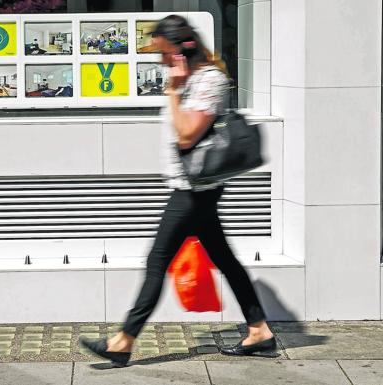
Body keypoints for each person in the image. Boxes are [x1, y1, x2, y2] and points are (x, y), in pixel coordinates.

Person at [80, 14, 276, 367]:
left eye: (164, 53)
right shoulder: (192, 80)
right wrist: (179, 86)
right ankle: (259, 329)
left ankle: (123, 341)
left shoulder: (209, 81)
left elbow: (187, 134)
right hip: (196, 188)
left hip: (193, 191)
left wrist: (173, 91)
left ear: (182, 50)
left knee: (157, 262)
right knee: (225, 260)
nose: (161, 61)